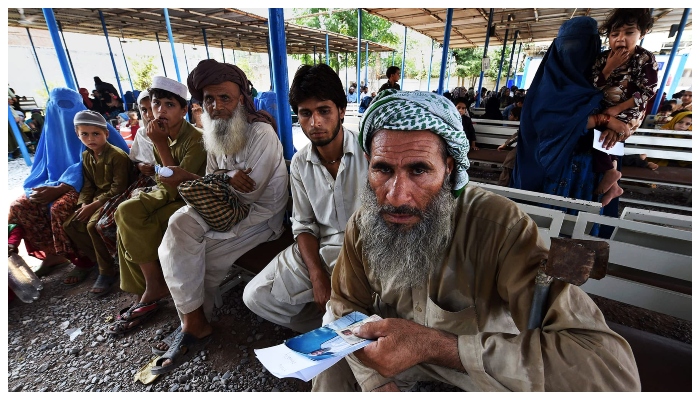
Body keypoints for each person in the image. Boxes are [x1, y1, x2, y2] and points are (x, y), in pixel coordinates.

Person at [313, 90, 639, 392]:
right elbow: (344, 305)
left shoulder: (503, 227)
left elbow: (610, 369)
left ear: (449, 168)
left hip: (476, 373)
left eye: (418, 170)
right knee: (329, 370)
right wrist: (375, 383)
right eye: (382, 169)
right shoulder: (366, 222)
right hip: (391, 365)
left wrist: (435, 345)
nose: (396, 196)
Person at [150, 59, 287, 374]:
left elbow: (245, 196)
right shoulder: (213, 131)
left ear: (241, 98)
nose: (216, 106)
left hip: (258, 217)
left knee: (196, 253)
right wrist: (226, 177)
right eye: (209, 99)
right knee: (177, 226)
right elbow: (217, 179)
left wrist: (192, 178)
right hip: (223, 206)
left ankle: (196, 320)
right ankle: (193, 321)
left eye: (225, 97)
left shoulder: (261, 133)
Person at [243, 63, 368, 335]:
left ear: (342, 111)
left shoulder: (368, 154)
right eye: (305, 113)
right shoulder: (300, 163)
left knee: (366, 301)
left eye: (324, 111)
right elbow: (303, 224)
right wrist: (316, 275)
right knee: (255, 295)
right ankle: (331, 330)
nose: (315, 123)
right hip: (320, 250)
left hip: (366, 254)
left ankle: (345, 328)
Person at [108, 76, 207, 335]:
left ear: (184, 110)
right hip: (165, 193)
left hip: (189, 200)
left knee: (132, 216)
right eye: (156, 104)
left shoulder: (196, 139)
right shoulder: (157, 134)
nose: (161, 110)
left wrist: (161, 145)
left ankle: (155, 286)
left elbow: (178, 186)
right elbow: (160, 177)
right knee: (125, 213)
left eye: (169, 105)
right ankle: (151, 284)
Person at [511, 16, 630, 216]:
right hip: (550, 168)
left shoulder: (605, 78)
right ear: (557, 47)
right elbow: (548, 125)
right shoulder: (547, 85)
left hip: (590, 171)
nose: (574, 51)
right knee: (543, 228)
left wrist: (615, 131)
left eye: (582, 45)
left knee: (580, 231)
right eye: (568, 44)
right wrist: (605, 120)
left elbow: (626, 115)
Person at [8, 88, 129, 279]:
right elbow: (42, 163)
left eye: (69, 106)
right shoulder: (53, 129)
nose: (90, 138)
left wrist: (63, 187)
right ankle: (53, 255)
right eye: (58, 107)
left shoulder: (98, 132)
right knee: (20, 206)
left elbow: (110, 175)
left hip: (83, 186)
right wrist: (42, 186)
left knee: (60, 208)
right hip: (59, 182)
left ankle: (83, 260)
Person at [590, 8, 658, 206]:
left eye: (629, 33)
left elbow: (647, 91)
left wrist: (617, 112)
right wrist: (609, 67)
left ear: (642, 34)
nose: (620, 39)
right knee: (600, 136)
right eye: (614, 34)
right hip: (604, 109)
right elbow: (594, 86)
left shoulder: (644, 59)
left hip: (630, 112)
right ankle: (614, 182)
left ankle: (611, 173)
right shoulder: (602, 59)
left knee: (606, 133)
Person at [62, 111, 131, 297]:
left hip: (118, 198)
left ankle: (106, 272)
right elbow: (88, 185)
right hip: (97, 199)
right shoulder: (86, 156)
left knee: (93, 225)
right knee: (71, 224)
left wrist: (93, 206)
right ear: (78, 135)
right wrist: (83, 204)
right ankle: (102, 260)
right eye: (84, 134)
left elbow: (119, 189)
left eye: (96, 134)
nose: (90, 138)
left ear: (106, 134)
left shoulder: (117, 156)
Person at [497, 106, 523, 186]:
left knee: (510, 160)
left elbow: (518, 135)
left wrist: (505, 144)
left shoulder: (527, 122)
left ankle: (502, 187)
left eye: (511, 115)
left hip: (524, 150)